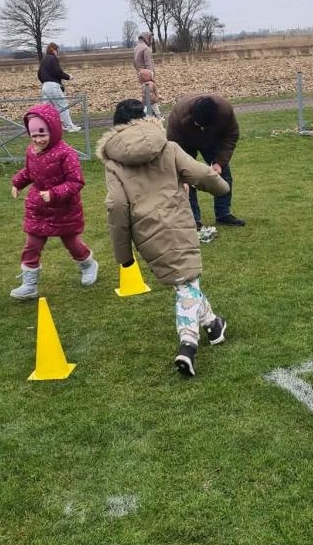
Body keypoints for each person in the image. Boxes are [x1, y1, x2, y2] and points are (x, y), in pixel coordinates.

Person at [97, 99, 228, 377]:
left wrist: (123, 254)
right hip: (179, 222)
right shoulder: (168, 147)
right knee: (185, 282)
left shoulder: (113, 164)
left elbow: (117, 206)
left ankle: (214, 325)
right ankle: (188, 345)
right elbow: (200, 173)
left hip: (147, 232)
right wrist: (221, 188)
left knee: (185, 281)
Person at [9, 102, 98, 299]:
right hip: (38, 209)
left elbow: (76, 181)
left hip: (63, 209)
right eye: (34, 136)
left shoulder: (66, 153)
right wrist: (17, 183)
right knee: (32, 245)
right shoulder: (31, 152)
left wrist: (54, 193)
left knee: (72, 244)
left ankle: (88, 264)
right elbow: (29, 172)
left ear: (53, 130)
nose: (38, 140)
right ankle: (29, 284)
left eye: (42, 134)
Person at [166, 93, 244, 227]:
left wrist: (219, 162)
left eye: (206, 126)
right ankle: (193, 220)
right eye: (199, 125)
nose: (202, 128)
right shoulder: (178, 117)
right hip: (184, 144)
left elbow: (231, 136)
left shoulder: (225, 110)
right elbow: (174, 146)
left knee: (224, 174)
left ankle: (223, 214)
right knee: (187, 178)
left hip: (212, 142)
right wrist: (182, 172)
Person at [37, 43, 81, 132]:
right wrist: (68, 77)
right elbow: (57, 71)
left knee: (48, 109)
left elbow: (39, 74)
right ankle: (69, 126)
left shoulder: (44, 59)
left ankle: (51, 127)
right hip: (53, 86)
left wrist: (45, 81)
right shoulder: (53, 58)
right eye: (57, 50)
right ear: (53, 50)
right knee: (62, 106)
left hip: (45, 86)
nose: (57, 52)